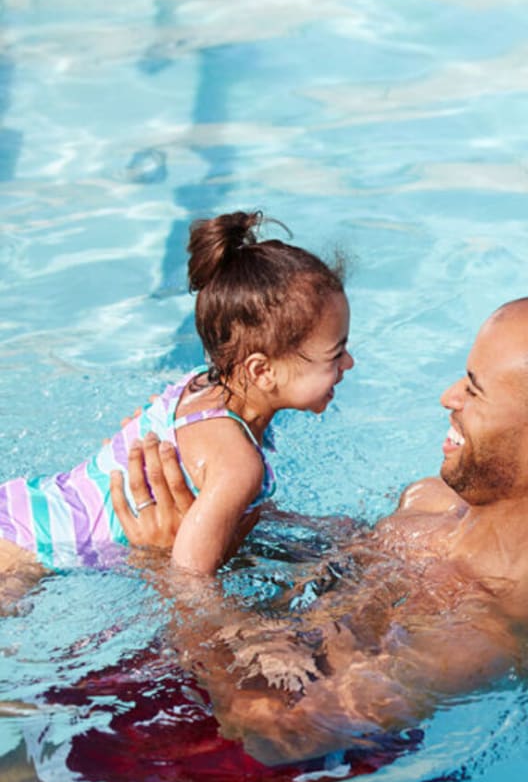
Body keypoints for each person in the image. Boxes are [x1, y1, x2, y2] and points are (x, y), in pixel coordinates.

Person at [114, 295, 528, 765]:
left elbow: (276, 734)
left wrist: (167, 570)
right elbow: (316, 559)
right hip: (191, 670)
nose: (449, 397)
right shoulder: (430, 500)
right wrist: (210, 512)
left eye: (475, 388)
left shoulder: (489, 632)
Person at [0, 210, 354, 583]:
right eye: (335, 354)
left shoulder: (201, 387)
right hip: (22, 553)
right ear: (261, 371)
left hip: (23, 505)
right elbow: (188, 580)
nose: (349, 362)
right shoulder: (238, 465)